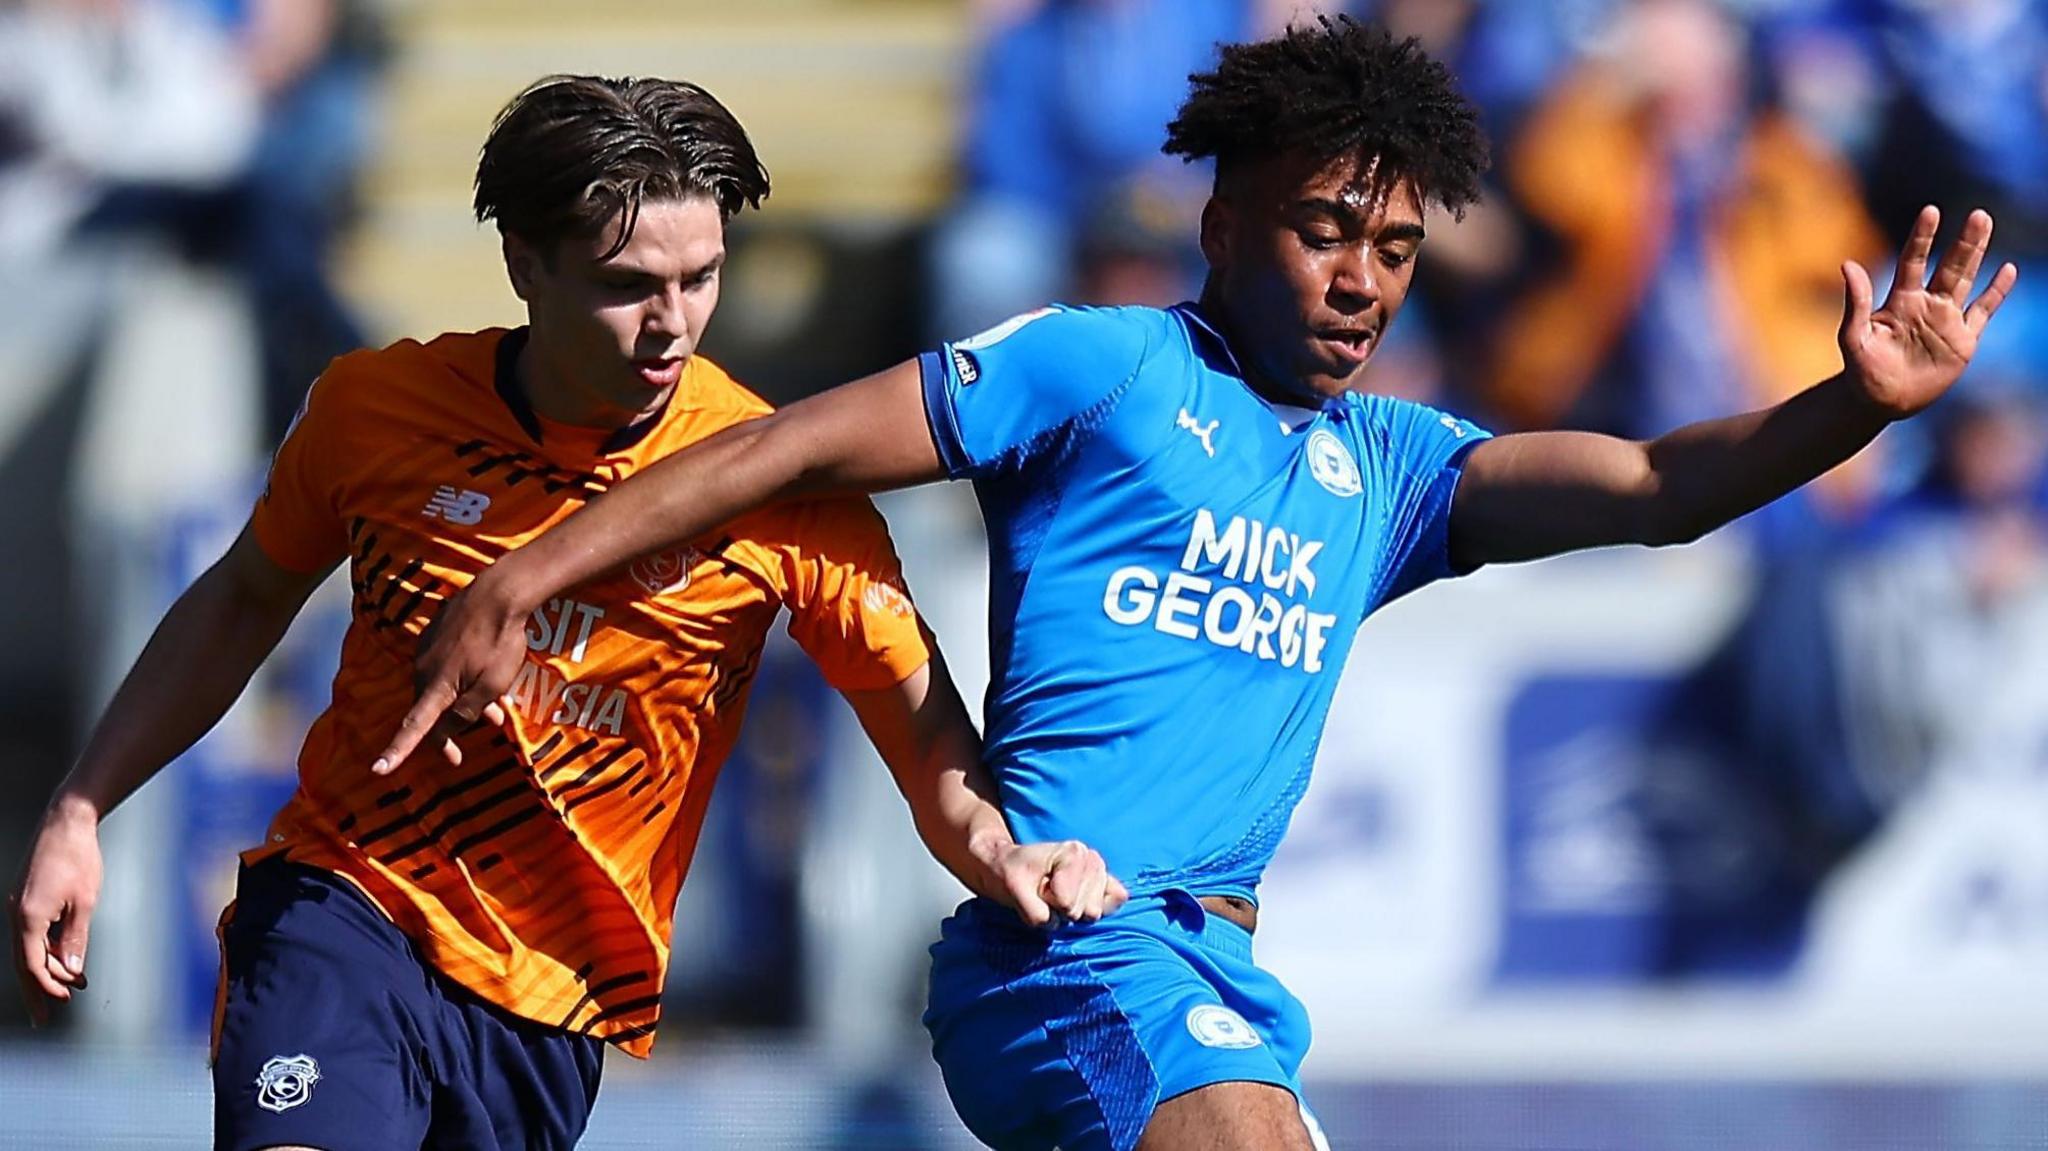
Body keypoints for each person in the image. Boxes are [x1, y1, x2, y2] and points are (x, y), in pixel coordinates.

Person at [382, 20, 2018, 1151]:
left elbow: (1662, 490)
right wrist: (524, 573)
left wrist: (1850, 405)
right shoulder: (1099, 370)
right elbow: (781, 449)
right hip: (1068, 951)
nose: (1361, 279)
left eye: (1391, 250)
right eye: (1323, 232)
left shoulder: (1388, 473)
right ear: (1222, 220)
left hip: (1223, 971)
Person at [8, 74, 1122, 1151]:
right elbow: (243, 596)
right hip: (348, 903)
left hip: (551, 994)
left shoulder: (780, 486)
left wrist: (999, 853)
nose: (671, 323)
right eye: (629, 283)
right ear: (523, 264)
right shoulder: (374, 412)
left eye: (701, 277)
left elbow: (920, 727)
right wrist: (82, 803)